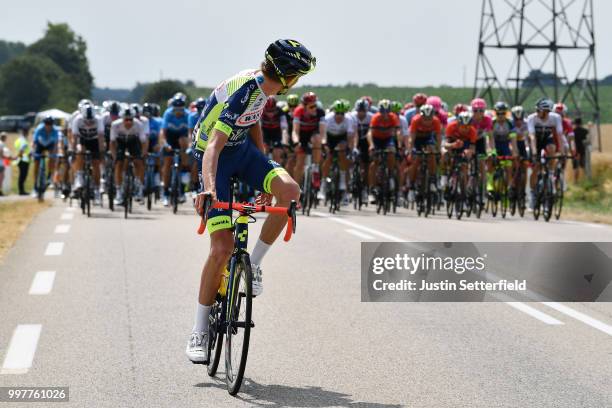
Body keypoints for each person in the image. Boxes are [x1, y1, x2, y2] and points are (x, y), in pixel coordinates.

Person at [187, 39, 315, 363]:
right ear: (287, 77)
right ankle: (199, 331)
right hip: (214, 158)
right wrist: (209, 190)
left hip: (242, 152)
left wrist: (263, 164)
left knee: (290, 192)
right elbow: (214, 146)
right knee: (221, 249)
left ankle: (254, 265)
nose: (297, 83)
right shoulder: (245, 89)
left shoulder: (263, 89)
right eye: (297, 77)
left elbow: (252, 119)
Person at [110, 107, 148, 204]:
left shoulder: (138, 124)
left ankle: (139, 187)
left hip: (133, 142)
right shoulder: (115, 125)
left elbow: (144, 142)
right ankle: (119, 191)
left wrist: (143, 154)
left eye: (130, 119)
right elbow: (112, 143)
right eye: (126, 120)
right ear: (122, 119)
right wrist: (114, 156)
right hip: (120, 142)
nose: (128, 122)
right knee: (119, 163)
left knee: (138, 162)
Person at [291, 91, 325, 197]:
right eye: (311, 106)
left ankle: (315, 169)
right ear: (304, 106)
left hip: (313, 134)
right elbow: (295, 131)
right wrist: (296, 142)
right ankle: (295, 191)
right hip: (302, 135)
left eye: (316, 105)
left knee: (317, 138)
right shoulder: (298, 111)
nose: (314, 108)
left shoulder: (320, 112)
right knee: (300, 164)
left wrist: (324, 142)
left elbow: (322, 131)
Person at [321, 99, 355, 203]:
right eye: (337, 113)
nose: (339, 116)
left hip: (342, 137)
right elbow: (323, 134)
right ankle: (323, 184)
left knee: (342, 153)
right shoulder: (328, 118)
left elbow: (350, 136)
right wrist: (325, 145)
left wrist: (350, 148)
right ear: (334, 112)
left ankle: (343, 184)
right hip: (329, 138)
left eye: (342, 113)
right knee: (328, 157)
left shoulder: (349, 119)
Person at [71, 103, 105, 204]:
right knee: (79, 151)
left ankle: (97, 189)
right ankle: (79, 176)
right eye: (87, 120)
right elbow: (75, 137)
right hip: (83, 140)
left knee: (95, 164)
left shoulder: (98, 119)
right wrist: (73, 151)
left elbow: (101, 138)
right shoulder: (77, 119)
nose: (89, 122)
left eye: (91, 120)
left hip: (94, 141)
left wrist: (101, 152)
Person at [367, 99, 400, 200]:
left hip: (387, 139)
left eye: (387, 112)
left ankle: (390, 175)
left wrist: (399, 145)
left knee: (391, 153)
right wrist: (371, 145)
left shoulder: (393, 117)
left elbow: (397, 133)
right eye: (382, 112)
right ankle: (372, 189)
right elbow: (370, 133)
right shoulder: (375, 118)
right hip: (376, 139)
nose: (385, 114)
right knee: (374, 164)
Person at [160, 94, 190, 206]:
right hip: (170, 137)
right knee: (167, 163)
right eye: (175, 109)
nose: (178, 112)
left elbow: (190, 133)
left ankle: (182, 190)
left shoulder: (187, 115)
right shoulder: (168, 113)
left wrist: (189, 146)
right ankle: (166, 193)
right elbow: (162, 132)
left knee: (183, 142)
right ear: (172, 108)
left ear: (183, 108)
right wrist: (165, 144)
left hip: (182, 138)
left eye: (180, 110)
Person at [32, 116, 61, 196]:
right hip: (40, 144)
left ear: (52, 124)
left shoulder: (55, 130)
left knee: (52, 158)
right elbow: (34, 142)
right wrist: (33, 151)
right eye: (46, 124)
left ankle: (49, 175)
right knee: (36, 163)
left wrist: (53, 155)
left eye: (50, 124)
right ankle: (34, 187)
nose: (48, 126)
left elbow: (55, 144)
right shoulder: (39, 129)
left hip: (50, 145)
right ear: (44, 124)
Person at [572, 117, 589, 182]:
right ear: (581, 123)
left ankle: (576, 181)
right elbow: (588, 140)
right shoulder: (585, 131)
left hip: (575, 150)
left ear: (575, 123)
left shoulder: (573, 131)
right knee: (583, 166)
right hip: (582, 150)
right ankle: (586, 180)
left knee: (576, 167)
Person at [14, 129, 30, 195]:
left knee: (22, 175)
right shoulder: (23, 140)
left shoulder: (19, 140)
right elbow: (22, 150)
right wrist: (19, 156)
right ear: (25, 133)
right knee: (23, 176)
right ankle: (21, 191)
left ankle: (21, 190)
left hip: (21, 159)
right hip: (24, 160)